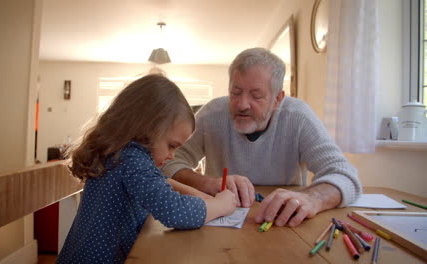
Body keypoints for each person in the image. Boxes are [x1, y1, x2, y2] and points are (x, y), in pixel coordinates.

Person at [161, 47, 362, 228]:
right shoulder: (212, 114)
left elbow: (345, 175)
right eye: (236, 92)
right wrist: (207, 183)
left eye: (256, 96)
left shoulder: (298, 117)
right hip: (219, 222)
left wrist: (312, 199)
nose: (242, 104)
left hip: (284, 225)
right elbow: (167, 163)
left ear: (277, 99)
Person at [56, 74, 236, 264]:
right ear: (149, 128)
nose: (172, 155)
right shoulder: (132, 158)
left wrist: (204, 198)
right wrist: (220, 206)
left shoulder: (121, 153)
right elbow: (173, 211)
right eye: (171, 145)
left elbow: (163, 181)